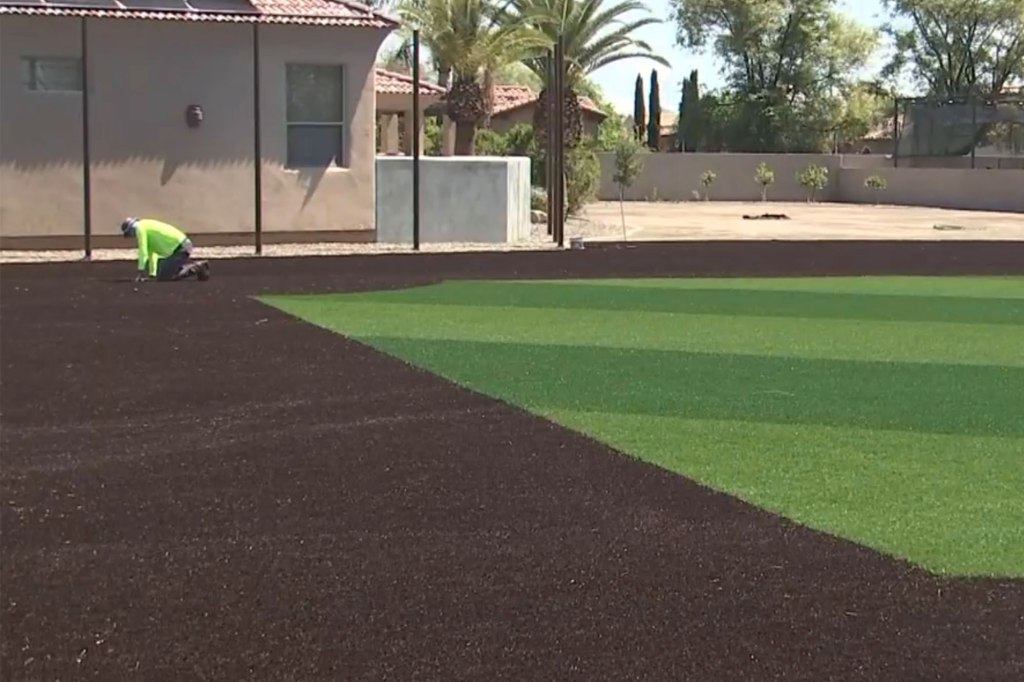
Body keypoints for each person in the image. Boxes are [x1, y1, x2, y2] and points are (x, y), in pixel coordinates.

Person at [120, 217, 210, 282]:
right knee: (163, 274)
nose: (132, 236)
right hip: (180, 247)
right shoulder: (145, 227)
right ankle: (195, 267)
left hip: (181, 247)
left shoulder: (140, 228)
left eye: (130, 234)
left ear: (131, 229)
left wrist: (140, 270)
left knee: (165, 277)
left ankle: (197, 267)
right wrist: (152, 274)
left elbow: (143, 250)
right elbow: (151, 253)